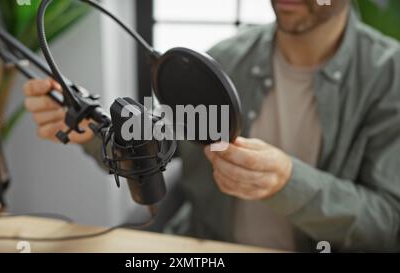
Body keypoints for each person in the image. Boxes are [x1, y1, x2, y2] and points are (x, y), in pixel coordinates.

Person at [23, 0, 400, 252]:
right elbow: (159, 144)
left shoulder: (389, 76)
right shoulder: (225, 60)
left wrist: (289, 183)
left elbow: (387, 223)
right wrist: (94, 134)